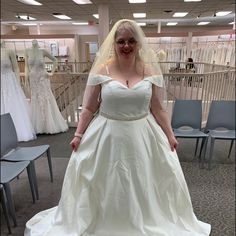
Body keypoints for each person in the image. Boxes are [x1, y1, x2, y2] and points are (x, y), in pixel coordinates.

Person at [25, 20, 211, 235]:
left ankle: (143, 219)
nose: (126, 46)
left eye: (131, 41)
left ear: (139, 43)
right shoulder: (102, 70)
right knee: (106, 182)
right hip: (107, 134)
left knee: (145, 181)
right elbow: (88, 108)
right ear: (113, 44)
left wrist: (170, 135)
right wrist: (78, 134)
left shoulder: (150, 71)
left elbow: (159, 109)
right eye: (121, 41)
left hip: (144, 134)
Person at [25, 39, 68, 134]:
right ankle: (37, 126)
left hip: (43, 78)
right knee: (35, 99)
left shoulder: (43, 51)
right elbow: (26, 67)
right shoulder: (27, 51)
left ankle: (49, 125)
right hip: (33, 79)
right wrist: (26, 77)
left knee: (45, 98)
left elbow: (55, 60)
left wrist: (51, 72)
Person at [1, 40, 36, 141]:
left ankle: (17, 131)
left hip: (10, 82)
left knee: (13, 105)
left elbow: (16, 68)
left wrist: (16, 82)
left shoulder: (9, 51)